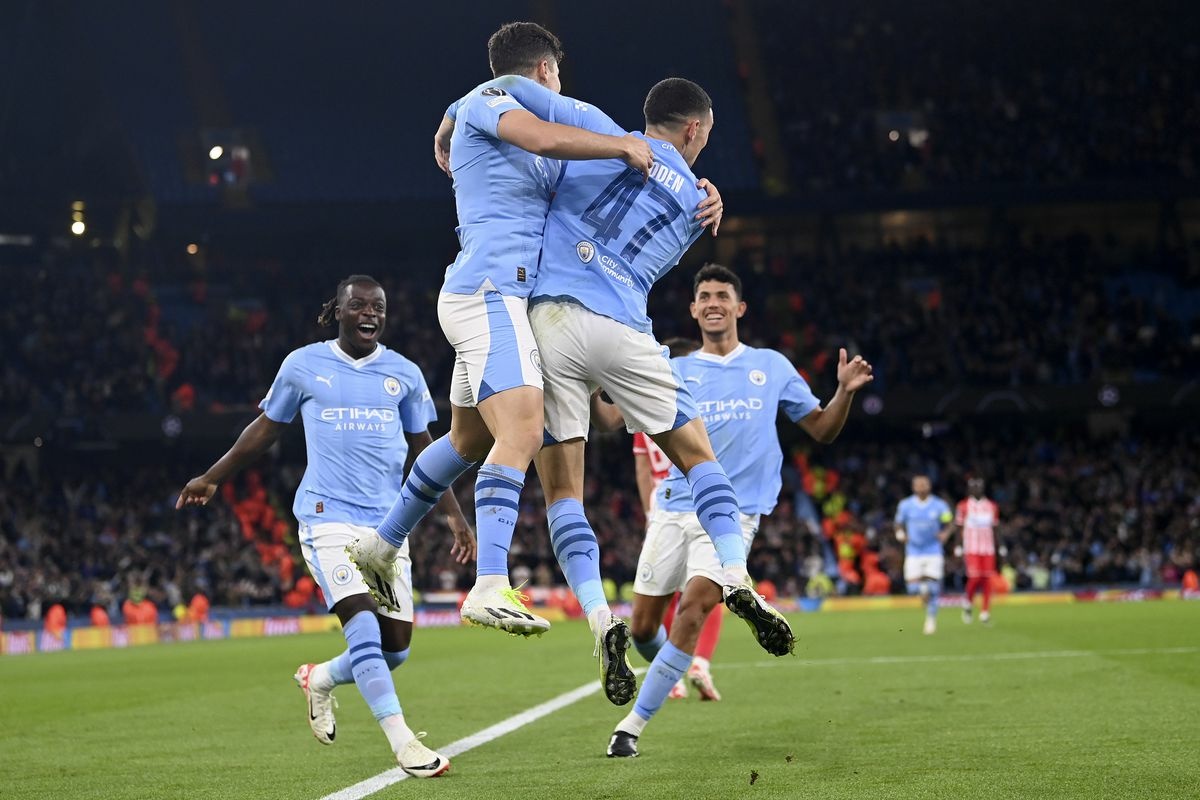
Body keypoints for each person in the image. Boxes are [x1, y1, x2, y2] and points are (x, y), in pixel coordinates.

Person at [347, 22, 657, 639]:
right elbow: (540, 134)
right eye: (556, 76)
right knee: (522, 430)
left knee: (467, 441)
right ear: (544, 71)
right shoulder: (492, 103)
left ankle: (380, 545)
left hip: (490, 297)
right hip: (491, 294)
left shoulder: (484, 117)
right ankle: (489, 583)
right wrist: (623, 144)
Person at [176, 275, 472, 778]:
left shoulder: (404, 374)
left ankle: (319, 678)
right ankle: (404, 744)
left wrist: (454, 516)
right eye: (358, 305)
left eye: (378, 307)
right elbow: (265, 429)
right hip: (326, 518)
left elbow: (425, 449)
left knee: (394, 651)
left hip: (388, 528)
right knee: (362, 624)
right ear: (337, 311)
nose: (369, 313)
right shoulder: (303, 365)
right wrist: (212, 476)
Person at [597, 264, 873, 757]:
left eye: (722, 295)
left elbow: (822, 429)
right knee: (641, 630)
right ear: (693, 309)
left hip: (734, 514)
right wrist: (589, 377)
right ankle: (677, 669)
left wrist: (843, 394)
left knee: (693, 609)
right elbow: (610, 419)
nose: (713, 303)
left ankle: (630, 728)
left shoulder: (772, 366)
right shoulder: (675, 368)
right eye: (704, 296)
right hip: (672, 507)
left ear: (739, 307)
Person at [626, 338, 721, 702]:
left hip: (661, 505)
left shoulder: (644, 407)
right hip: (696, 495)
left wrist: (649, 512)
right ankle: (699, 663)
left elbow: (642, 469)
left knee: (661, 594)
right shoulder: (697, 404)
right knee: (707, 588)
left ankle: (672, 674)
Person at [895, 475, 954, 636]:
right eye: (918, 484)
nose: (921, 487)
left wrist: (945, 533)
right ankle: (922, 590)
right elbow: (898, 523)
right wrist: (900, 534)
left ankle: (931, 619)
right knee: (912, 588)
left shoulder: (939, 505)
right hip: (913, 551)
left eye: (924, 484)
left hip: (933, 550)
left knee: (934, 588)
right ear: (913, 487)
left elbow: (949, 523)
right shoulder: (906, 505)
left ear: (929, 486)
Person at [957, 477, 1000, 624]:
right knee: (975, 578)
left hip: (988, 548)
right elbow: (959, 527)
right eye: (973, 487)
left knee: (987, 580)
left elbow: (995, 528)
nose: (976, 489)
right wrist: (958, 546)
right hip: (971, 547)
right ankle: (968, 602)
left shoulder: (991, 506)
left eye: (979, 486)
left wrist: (1000, 546)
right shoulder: (963, 506)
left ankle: (985, 612)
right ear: (969, 489)